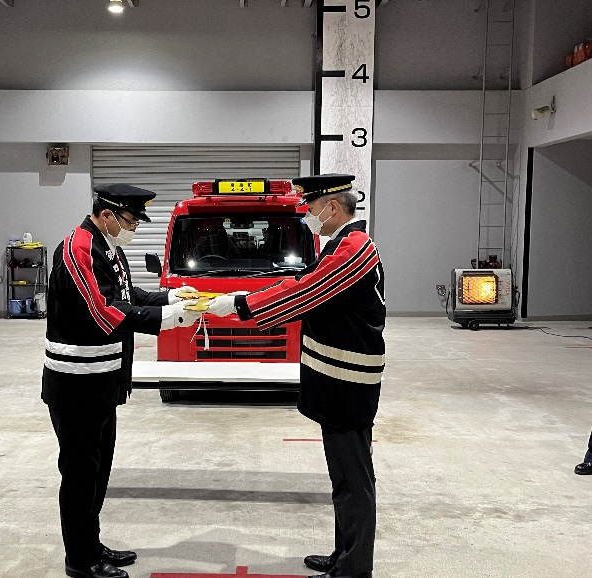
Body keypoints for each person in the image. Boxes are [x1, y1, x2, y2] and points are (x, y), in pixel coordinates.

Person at [208, 174, 385, 578]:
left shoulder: (353, 247)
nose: (307, 214)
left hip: (348, 382)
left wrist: (238, 305)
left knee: (353, 479)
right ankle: (344, 554)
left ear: (332, 208)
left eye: (310, 207)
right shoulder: (340, 244)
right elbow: (303, 286)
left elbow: (304, 292)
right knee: (343, 477)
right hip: (336, 378)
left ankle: (354, 568)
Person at [42, 183, 200, 578]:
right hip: (77, 383)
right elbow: (104, 313)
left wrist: (170, 297)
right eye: (130, 220)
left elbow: (127, 295)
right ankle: (80, 560)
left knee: (98, 470)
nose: (133, 227)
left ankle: (91, 543)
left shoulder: (109, 247)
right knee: (80, 475)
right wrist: (169, 320)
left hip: (103, 381)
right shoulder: (79, 248)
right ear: (107, 214)